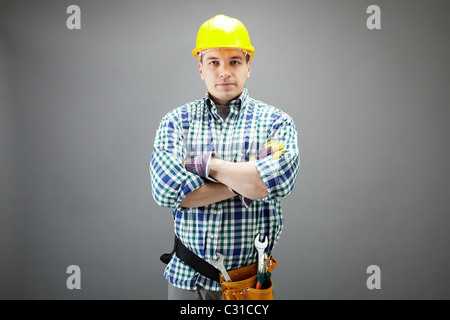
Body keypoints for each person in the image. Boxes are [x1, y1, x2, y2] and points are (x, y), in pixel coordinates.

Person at [150, 14, 300, 300]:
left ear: (248, 66)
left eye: (234, 61)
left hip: (249, 283)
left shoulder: (276, 122)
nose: (224, 71)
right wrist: (247, 182)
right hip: (187, 278)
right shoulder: (175, 122)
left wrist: (209, 166)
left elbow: (277, 183)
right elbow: (166, 192)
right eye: (214, 62)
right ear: (200, 68)